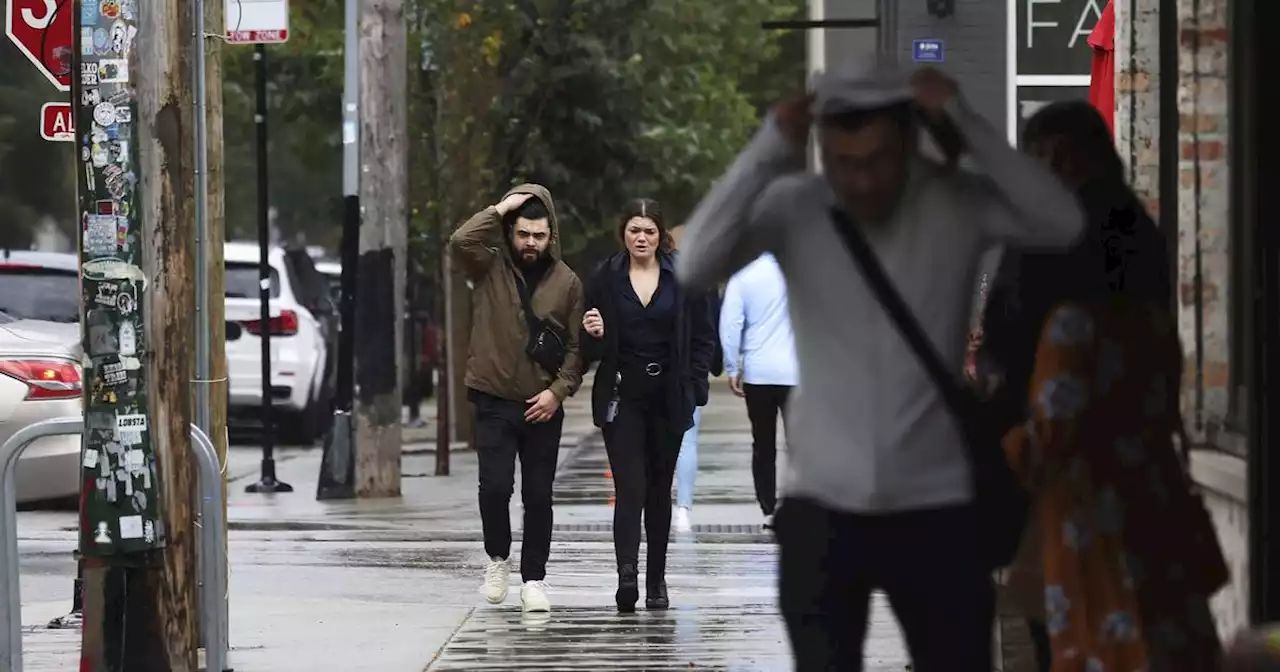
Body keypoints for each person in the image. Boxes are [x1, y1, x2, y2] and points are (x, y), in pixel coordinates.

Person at [675, 59, 1085, 671]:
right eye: (844, 163)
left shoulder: (954, 201)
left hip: (937, 505)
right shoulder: (798, 207)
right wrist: (767, 148)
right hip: (822, 507)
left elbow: (1063, 222)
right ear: (822, 151)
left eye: (877, 161)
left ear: (909, 141)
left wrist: (965, 121)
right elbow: (695, 263)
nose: (861, 181)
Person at [980, 100, 1174, 672]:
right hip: (1138, 464)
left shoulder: (1056, 233)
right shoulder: (1138, 226)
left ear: (1056, 155)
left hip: (1062, 468)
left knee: (1063, 624)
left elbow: (1016, 335)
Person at [1002, 301, 1227, 670]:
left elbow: (1048, 439)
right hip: (1158, 512)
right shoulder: (1154, 323)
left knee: (1110, 646)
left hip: (1094, 530)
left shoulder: (1071, 325)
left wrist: (999, 441)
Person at [449, 184, 585, 614]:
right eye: (523, 233)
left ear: (551, 235)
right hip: (493, 397)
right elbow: (459, 241)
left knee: (539, 495)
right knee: (494, 487)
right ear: (510, 231)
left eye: (539, 235)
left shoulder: (567, 283)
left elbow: (578, 349)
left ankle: (534, 579)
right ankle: (497, 558)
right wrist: (500, 207)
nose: (531, 243)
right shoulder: (488, 266)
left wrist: (557, 392)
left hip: (542, 404)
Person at [581, 198, 717, 613]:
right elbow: (587, 345)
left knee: (660, 489)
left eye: (649, 231)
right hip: (623, 394)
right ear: (624, 233)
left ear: (661, 236)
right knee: (630, 487)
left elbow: (703, 337)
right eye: (634, 229)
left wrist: (693, 386)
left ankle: (656, 578)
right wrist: (594, 330)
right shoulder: (606, 276)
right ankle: (627, 576)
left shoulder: (685, 277)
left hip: (669, 395)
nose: (641, 237)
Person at [719, 252, 797, 528]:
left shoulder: (744, 274)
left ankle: (768, 508)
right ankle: (799, 504)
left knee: (763, 444)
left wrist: (731, 366)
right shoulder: (801, 267)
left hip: (758, 372)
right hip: (797, 371)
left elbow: (730, 324)